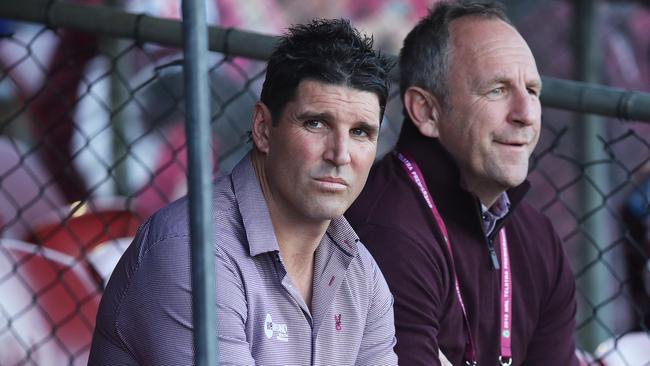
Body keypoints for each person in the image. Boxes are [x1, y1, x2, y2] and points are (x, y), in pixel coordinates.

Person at [88, 19, 397, 365]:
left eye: (360, 132)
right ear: (263, 129)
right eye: (316, 123)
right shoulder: (192, 251)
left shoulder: (360, 272)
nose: (340, 154)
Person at [346, 1, 579, 365]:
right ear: (426, 111)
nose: (525, 114)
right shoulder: (384, 230)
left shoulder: (538, 238)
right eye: (497, 90)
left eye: (532, 91)